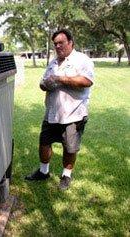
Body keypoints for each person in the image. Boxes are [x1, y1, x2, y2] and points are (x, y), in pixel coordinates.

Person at [25, 29, 94, 190]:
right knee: (44, 142)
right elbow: (43, 83)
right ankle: (43, 172)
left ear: (71, 42)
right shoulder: (53, 63)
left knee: (69, 147)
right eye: (55, 44)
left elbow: (87, 81)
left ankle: (66, 175)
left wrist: (60, 79)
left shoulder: (82, 60)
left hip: (73, 114)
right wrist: (44, 84)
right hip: (52, 113)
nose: (57, 46)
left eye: (61, 43)